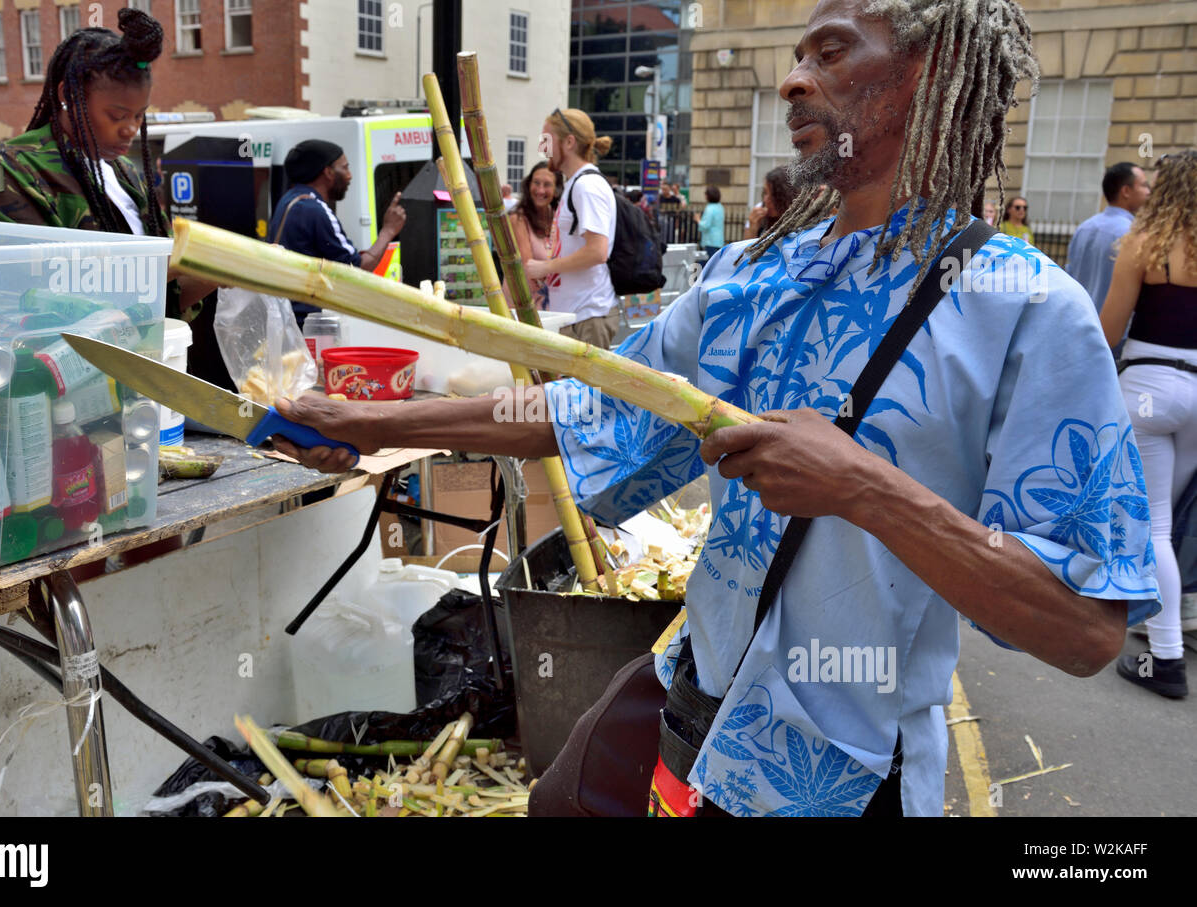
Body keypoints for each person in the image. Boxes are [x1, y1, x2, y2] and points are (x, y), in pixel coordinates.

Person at [270, 0, 1158, 817]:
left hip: (836, 774)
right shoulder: (757, 275)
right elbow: (580, 404)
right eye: (798, 52)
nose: (794, 77)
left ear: (931, 67)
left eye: (834, 50)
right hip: (694, 708)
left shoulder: (1026, 309)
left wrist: (867, 491)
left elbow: (1085, 626)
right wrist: (374, 425)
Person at [0, 8, 213, 322]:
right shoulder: (13, 169)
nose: (130, 129)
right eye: (117, 116)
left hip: (143, 360)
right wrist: (165, 266)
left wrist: (217, 270)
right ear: (69, 96)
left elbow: (164, 304)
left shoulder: (126, 174)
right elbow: (34, 292)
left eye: (138, 115)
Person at [1100, 149, 1197, 698]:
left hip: (1150, 390)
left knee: (1154, 524)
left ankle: (1164, 660)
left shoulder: (1144, 245)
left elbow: (1107, 331)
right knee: (1175, 519)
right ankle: (1159, 618)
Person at [268, 139, 406, 329]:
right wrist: (388, 230)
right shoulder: (314, 209)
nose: (349, 176)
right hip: (307, 325)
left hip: (286, 319)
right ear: (328, 172)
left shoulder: (289, 200)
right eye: (345, 168)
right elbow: (357, 268)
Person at [522, 108, 621, 348]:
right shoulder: (577, 184)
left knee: (583, 387)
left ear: (568, 142)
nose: (542, 148)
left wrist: (547, 266)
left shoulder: (586, 186)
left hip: (586, 318)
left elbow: (597, 251)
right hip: (580, 317)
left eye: (546, 140)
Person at [1067, 162, 1152, 314]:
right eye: (1144, 185)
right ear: (1126, 191)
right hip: (1112, 330)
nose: (1149, 192)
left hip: (1078, 321)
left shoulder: (1084, 228)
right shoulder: (1133, 234)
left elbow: (1070, 277)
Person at [507, 161, 559, 309]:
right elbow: (527, 267)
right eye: (536, 183)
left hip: (553, 303)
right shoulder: (518, 219)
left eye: (547, 185)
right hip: (525, 304)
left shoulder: (558, 218)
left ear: (556, 190)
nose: (540, 190)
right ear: (528, 185)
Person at [748, 167, 797, 238]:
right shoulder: (762, 222)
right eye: (765, 192)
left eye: (774, 195)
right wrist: (753, 229)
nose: (766, 200)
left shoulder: (801, 228)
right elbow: (748, 248)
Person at [697, 185, 725, 257]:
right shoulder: (720, 207)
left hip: (710, 241)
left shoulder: (710, 208)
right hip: (719, 241)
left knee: (706, 264)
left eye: (706, 194)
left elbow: (705, 225)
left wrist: (698, 219)